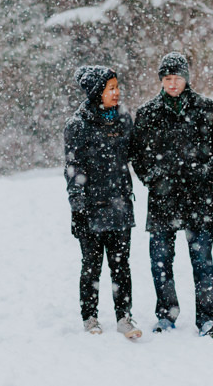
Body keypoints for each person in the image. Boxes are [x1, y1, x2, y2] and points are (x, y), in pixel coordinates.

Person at [130, 52, 213, 337]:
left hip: (199, 198)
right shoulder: (147, 113)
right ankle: (166, 314)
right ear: (161, 80)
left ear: (187, 78)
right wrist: (152, 180)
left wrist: (205, 175)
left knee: (203, 264)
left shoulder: (205, 108)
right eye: (167, 78)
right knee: (160, 262)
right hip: (163, 199)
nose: (172, 84)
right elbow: (137, 155)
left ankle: (207, 318)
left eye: (178, 78)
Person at [63, 65, 143, 339]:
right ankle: (90, 316)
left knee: (121, 264)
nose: (117, 92)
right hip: (91, 207)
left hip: (120, 203)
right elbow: (73, 169)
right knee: (92, 265)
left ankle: (124, 316)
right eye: (111, 88)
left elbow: (137, 155)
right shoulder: (77, 125)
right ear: (98, 92)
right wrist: (78, 207)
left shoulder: (124, 120)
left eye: (117, 87)